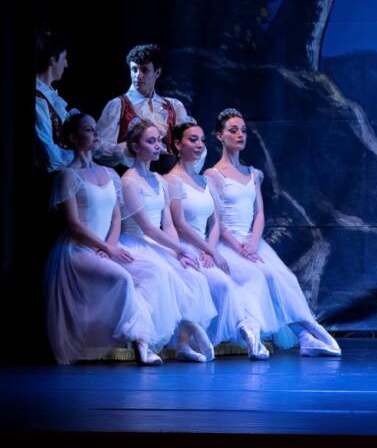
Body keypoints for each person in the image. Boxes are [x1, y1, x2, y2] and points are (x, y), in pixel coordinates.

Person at [205, 108, 341, 357]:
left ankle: (306, 334)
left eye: (243, 130)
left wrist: (253, 242)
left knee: (283, 279)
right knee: (261, 276)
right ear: (219, 136)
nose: (240, 135)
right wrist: (239, 247)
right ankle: (253, 332)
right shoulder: (213, 175)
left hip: (251, 242)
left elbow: (259, 213)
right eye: (233, 130)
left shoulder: (252, 173)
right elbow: (217, 220)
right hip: (228, 243)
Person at [45, 112, 164, 365]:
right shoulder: (68, 176)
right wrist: (105, 248)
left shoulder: (110, 173)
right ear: (73, 138)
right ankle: (141, 342)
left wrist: (111, 245)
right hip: (78, 250)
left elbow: (116, 217)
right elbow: (74, 225)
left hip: (105, 246)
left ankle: (138, 338)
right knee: (122, 277)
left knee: (151, 272)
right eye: (88, 130)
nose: (95, 133)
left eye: (95, 128)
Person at [166, 120, 270, 360]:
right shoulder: (172, 180)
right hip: (183, 248)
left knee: (225, 284)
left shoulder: (203, 180)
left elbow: (215, 222)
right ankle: (186, 342)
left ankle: (247, 329)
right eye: (193, 140)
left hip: (204, 247)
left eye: (202, 140)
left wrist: (210, 249)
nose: (199, 145)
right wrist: (209, 250)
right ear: (178, 145)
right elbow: (180, 224)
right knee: (206, 283)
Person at [120, 118, 218, 362]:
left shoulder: (159, 180)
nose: (157, 146)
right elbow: (146, 227)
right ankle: (143, 343)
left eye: (158, 141)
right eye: (151, 141)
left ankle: (185, 338)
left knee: (193, 275)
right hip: (135, 243)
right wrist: (179, 250)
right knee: (158, 274)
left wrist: (177, 253)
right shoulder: (129, 181)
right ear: (136, 146)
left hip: (158, 244)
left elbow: (169, 225)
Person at [95, 44, 205, 174]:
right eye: (134, 70)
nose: (138, 75)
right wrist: (129, 149)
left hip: (168, 176)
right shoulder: (118, 105)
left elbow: (190, 144)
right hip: (130, 174)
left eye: (144, 70)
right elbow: (98, 147)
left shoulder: (174, 106)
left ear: (157, 73)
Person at [34, 31, 73, 173]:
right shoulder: (38, 100)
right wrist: (79, 154)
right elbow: (49, 154)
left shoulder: (51, 95)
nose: (66, 64)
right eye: (64, 58)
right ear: (52, 60)